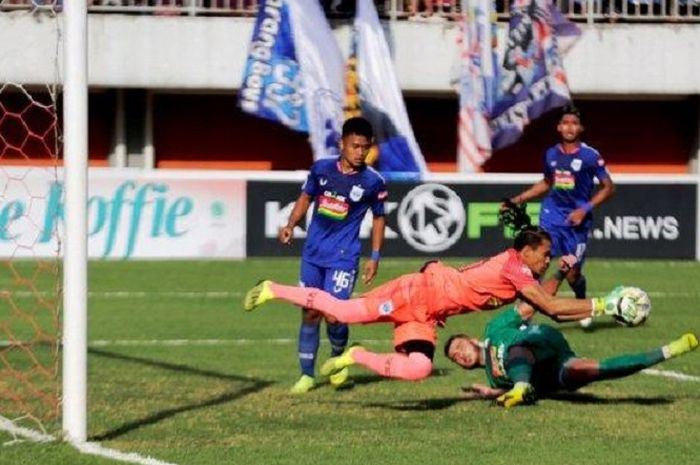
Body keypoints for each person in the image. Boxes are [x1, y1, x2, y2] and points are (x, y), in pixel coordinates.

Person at [244, 227, 636, 384]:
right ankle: (273, 289)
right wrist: (604, 305)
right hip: (414, 293)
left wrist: (563, 276)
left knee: (420, 368)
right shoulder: (516, 268)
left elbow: (538, 303)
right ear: (528, 250)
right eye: (545, 255)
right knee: (343, 311)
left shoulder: (522, 274)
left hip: (429, 313)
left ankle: (358, 355)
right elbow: (549, 307)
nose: (546, 260)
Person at [278, 116, 387, 394]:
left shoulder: (373, 182)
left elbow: (378, 218)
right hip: (313, 255)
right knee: (311, 313)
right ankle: (306, 375)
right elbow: (305, 198)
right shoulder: (321, 169)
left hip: (343, 258)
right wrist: (291, 224)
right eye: (355, 146)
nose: (360, 152)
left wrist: (374, 256)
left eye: (365, 147)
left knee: (336, 315)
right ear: (342, 143)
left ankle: (338, 360)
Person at [444, 304, 698, 408]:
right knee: (598, 370)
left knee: (516, 347)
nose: (460, 355)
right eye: (456, 358)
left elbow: (531, 304)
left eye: (459, 347)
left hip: (541, 340)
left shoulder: (493, 330)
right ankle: (671, 349)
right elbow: (516, 380)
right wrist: (494, 393)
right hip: (556, 369)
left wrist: (559, 272)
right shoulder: (495, 380)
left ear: (470, 339)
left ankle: (522, 387)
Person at [506, 104, 615, 329]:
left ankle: (582, 302)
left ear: (581, 128)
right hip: (551, 215)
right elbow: (547, 183)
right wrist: (516, 200)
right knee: (537, 264)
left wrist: (583, 209)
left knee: (573, 273)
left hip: (577, 221)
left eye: (574, 123)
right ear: (559, 127)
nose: (569, 127)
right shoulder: (551, 154)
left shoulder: (590, 156)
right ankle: (524, 317)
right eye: (565, 123)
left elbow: (608, 187)